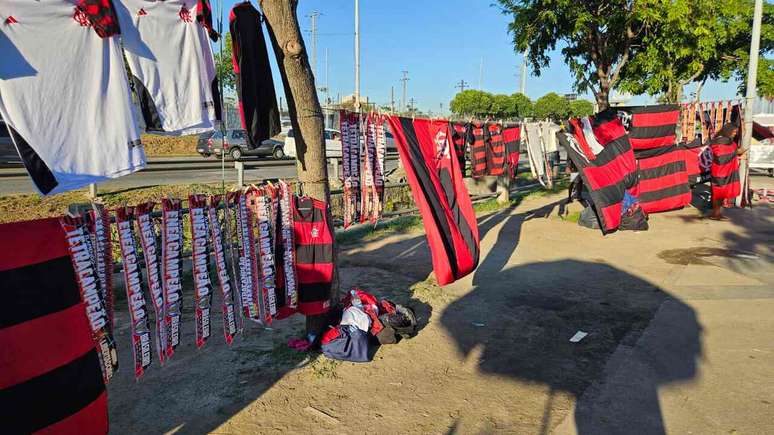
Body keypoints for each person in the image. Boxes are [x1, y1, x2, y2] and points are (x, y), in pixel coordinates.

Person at [707, 123, 746, 220]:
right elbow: (721, 158)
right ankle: (715, 214)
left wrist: (738, 153)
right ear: (727, 131)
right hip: (719, 171)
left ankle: (717, 213)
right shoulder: (719, 141)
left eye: (736, 132)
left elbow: (731, 153)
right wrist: (736, 152)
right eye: (734, 132)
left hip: (728, 170)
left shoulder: (729, 141)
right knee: (718, 192)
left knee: (723, 192)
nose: (735, 134)